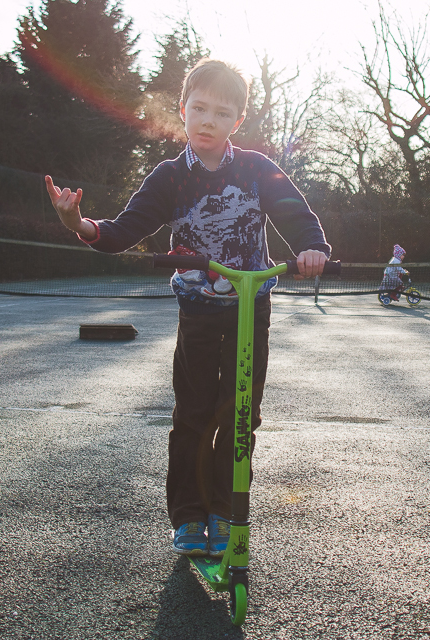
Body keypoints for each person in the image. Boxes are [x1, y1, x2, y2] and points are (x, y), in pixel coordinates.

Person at [44, 59, 331, 558]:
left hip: (250, 307)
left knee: (242, 414)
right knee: (195, 412)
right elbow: (123, 230)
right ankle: (189, 517)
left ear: (237, 122)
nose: (207, 121)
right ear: (183, 110)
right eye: (198, 108)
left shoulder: (259, 169)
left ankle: (224, 511)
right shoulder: (170, 178)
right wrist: (79, 224)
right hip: (198, 309)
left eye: (221, 113)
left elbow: (298, 217)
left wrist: (312, 250)